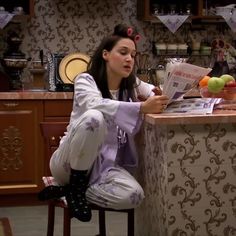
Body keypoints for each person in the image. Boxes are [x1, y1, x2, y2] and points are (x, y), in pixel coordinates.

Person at [38, 24, 169, 222]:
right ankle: (73, 184)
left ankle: (71, 191)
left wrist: (160, 95)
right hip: (68, 164)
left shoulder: (131, 83)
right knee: (94, 118)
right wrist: (141, 108)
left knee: (134, 195)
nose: (129, 59)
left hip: (104, 165)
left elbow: (153, 90)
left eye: (133, 55)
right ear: (106, 54)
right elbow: (94, 104)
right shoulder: (85, 80)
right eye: (123, 52)